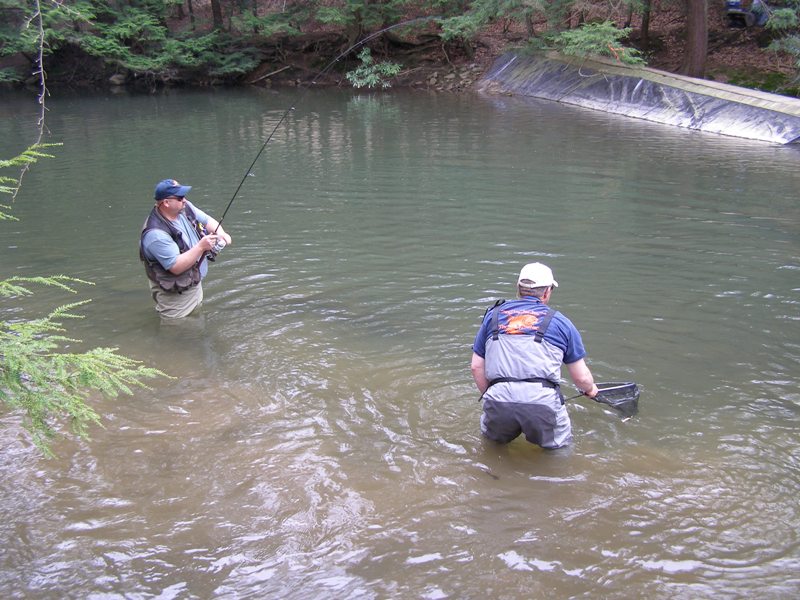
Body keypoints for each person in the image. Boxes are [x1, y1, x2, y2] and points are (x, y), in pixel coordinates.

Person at [470, 262, 598, 449]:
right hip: (542, 403)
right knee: (559, 454)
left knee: (491, 451)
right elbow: (581, 377)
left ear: (518, 289)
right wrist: (591, 389)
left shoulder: (493, 317)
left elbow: (476, 366)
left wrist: (493, 396)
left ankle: (491, 476)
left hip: (498, 399)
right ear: (547, 292)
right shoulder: (561, 323)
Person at [140, 179, 232, 318]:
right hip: (175, 297)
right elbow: (175, 266)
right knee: (177, 331)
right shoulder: (156, 235)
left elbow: (207, 220)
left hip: (192, 283)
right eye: (180, 197)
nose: (184, 200)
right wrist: (201, 247)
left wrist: (222, 234)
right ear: (166, 202)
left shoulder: (185, 207)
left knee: (194, 325)